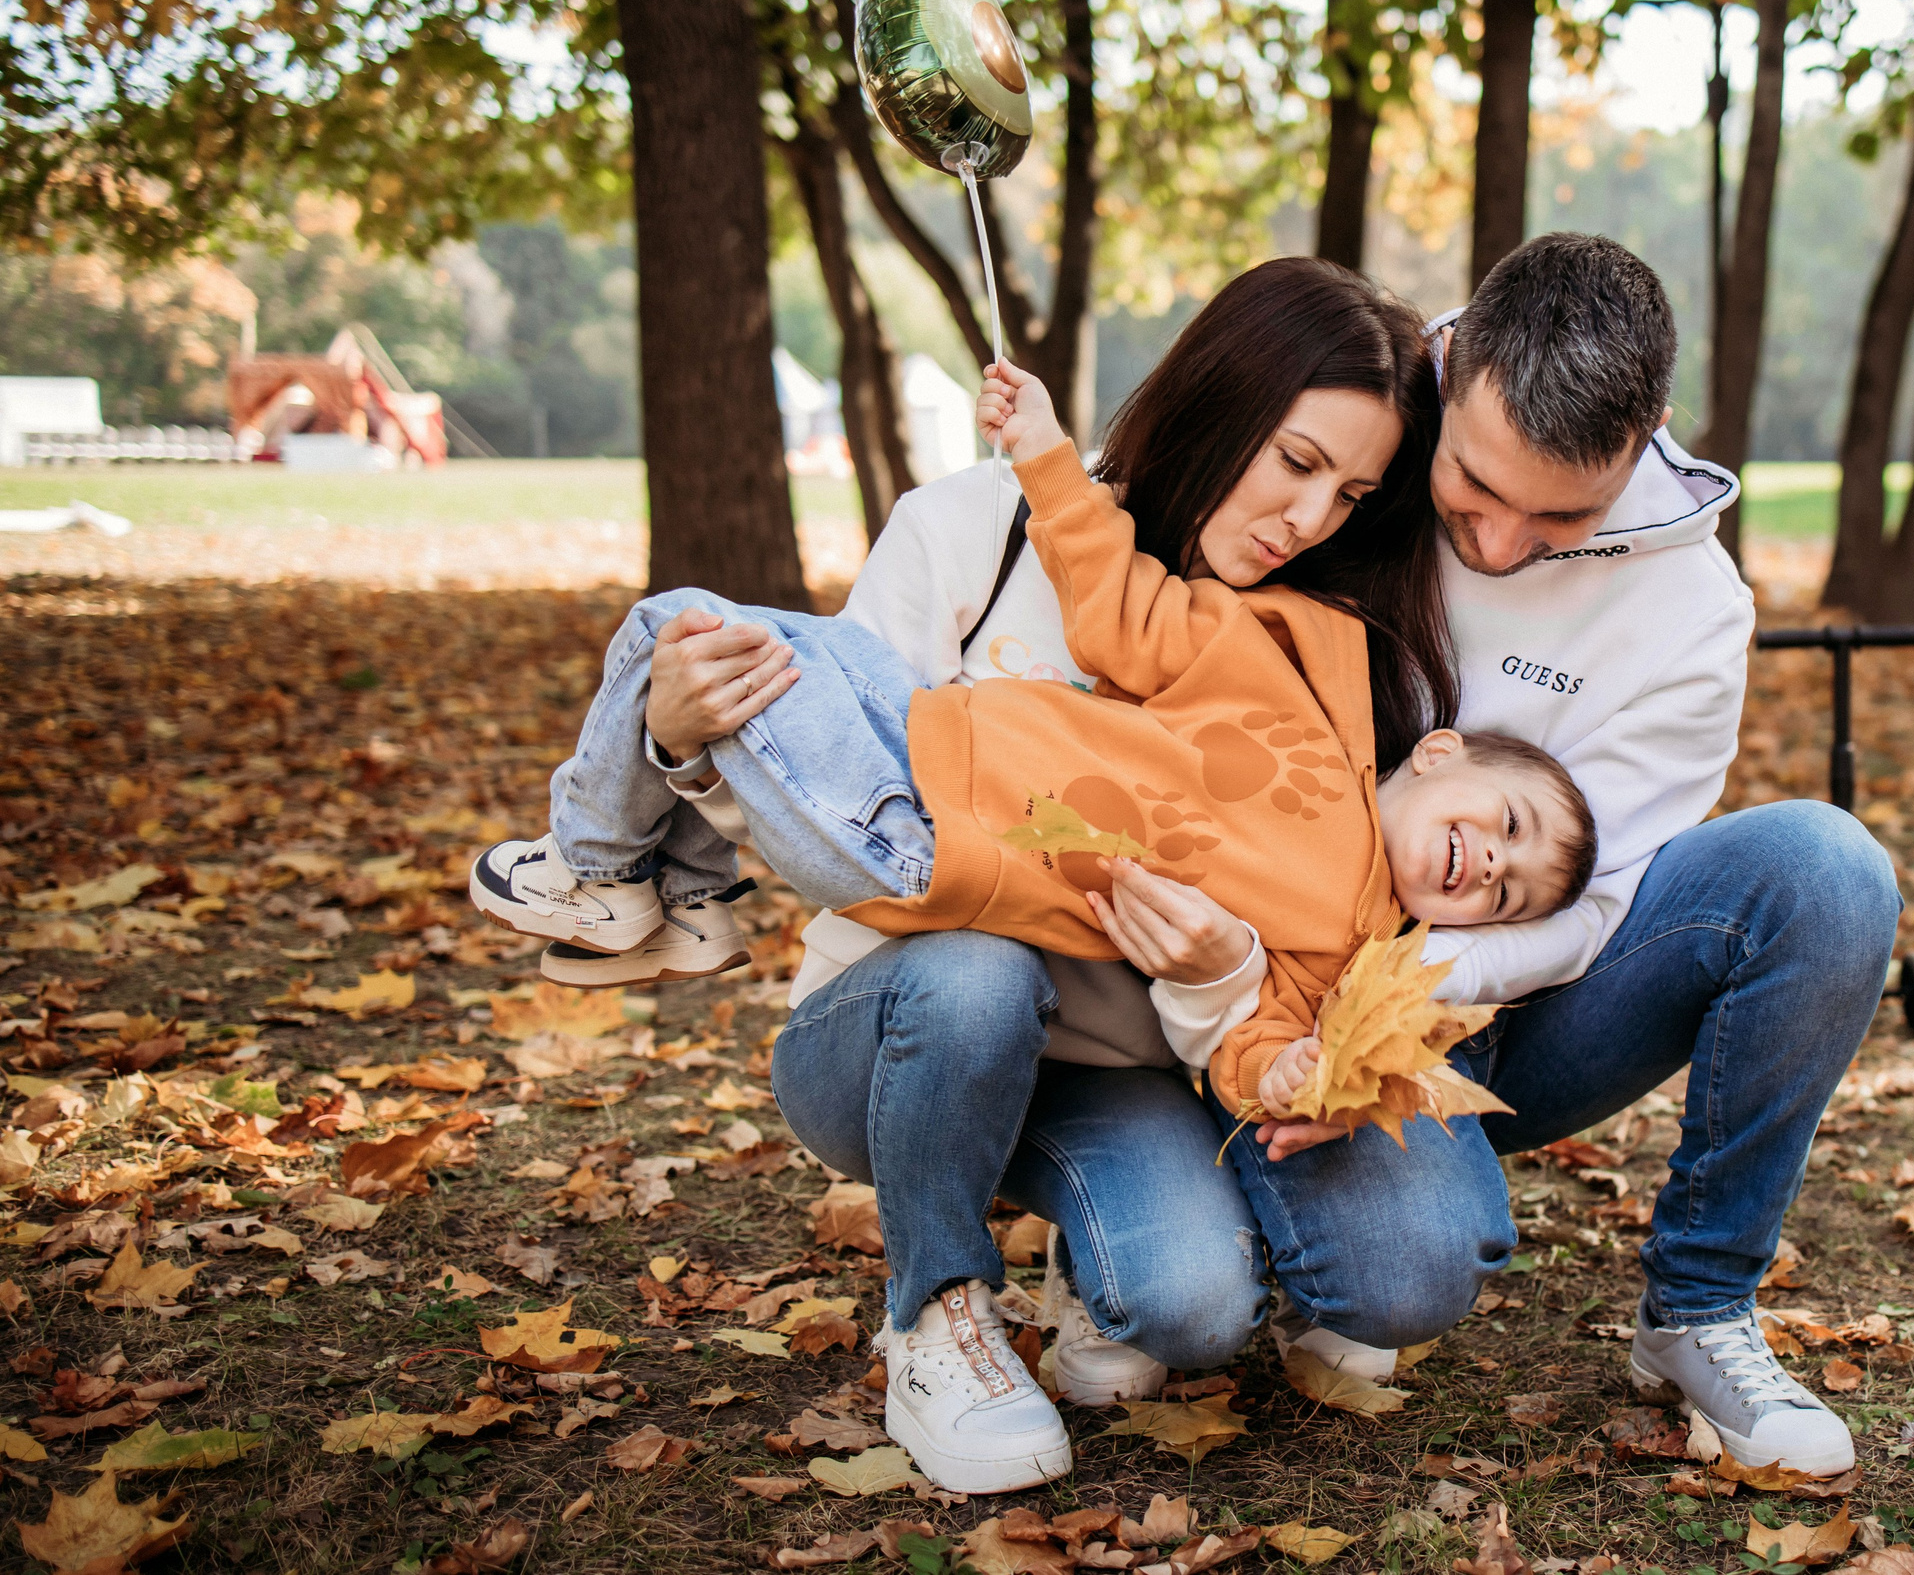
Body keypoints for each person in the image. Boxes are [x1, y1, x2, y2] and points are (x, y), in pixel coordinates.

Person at [554, 260, 1503, 1495]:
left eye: (1352, 492)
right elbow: (845, 798)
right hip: (917, 1021)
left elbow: (1331, 902)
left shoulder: (1302, 631)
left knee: (1272, 1296)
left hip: (1149, 1061)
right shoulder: (972, 528)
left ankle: (1121, 1243)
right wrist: (683, 746)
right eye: (1294, 460)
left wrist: (1284, 1033)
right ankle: (938, 1316)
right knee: (978, 969)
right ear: (1220, 401)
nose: (1310, 518)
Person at [1212, 232, 1900, 1478]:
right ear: (1451, 363)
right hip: (1263, 964)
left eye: (1559, 514)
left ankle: (1698, 1309)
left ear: (1645, 437)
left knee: (1825, 868)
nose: (1501, 543)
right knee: (1397, 1270)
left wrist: (1423, 990)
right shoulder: (1355, 444)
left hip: (1513, 1003)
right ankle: (1196, 1188)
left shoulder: (1695, 615)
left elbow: (1607, 905)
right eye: (1474, 487)